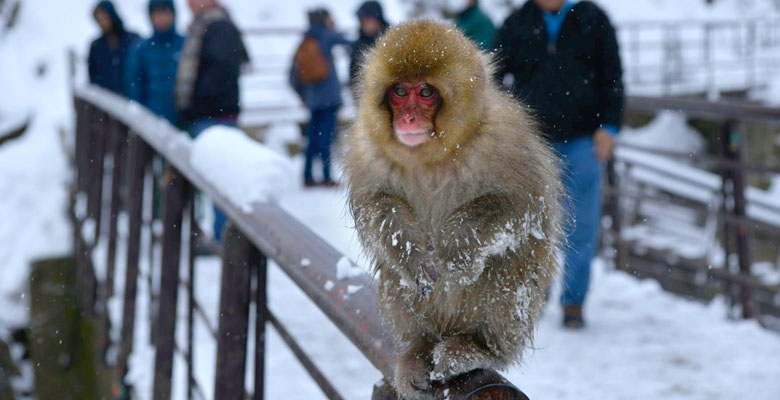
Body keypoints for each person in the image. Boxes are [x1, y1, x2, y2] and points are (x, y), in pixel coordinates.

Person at [494, 0, 624, 328]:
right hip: (532, 144)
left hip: (583, 140)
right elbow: (492, 79)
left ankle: (574, 304)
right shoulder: (516, 23)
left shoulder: (592, 18)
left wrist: (609, 127)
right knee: (532, 226)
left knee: (582, 225)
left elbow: (613, 76)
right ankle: (535, 298)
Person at [175, 0, 249, 242]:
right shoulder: (211, 24)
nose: (189, 5)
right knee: (216, 178)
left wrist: (196, 105)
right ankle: (220, 236)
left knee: (219, 178)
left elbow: (221, 71)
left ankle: (222, 238)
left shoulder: (217, 26)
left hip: (214, 114)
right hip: (214, 113)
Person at [289, 9, 352, 187]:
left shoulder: (306, 39)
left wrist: (303, 95)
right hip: (329, 98)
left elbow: (293, 74)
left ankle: (307, 176)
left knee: (312, 138)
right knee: (326, 137)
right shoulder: (326, 35)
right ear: (325, 19)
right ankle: (326, 176)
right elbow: (351, 42)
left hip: (312, 99)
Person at [125, 0, 184, 125]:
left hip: (184, 121)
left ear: (173, 14)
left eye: (165, 13)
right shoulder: (141, 48)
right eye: (157, 14)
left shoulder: (186, 44)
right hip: (151, 121)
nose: (161, 18)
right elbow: (134, 84)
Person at [88, 0, 139, 94]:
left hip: (131, 99)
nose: (103, 22)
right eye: (99, 19)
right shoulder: (96, 46)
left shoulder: (132, 40)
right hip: (106, 101)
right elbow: (93, 77)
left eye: (105, 17)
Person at [349, 1, 389, 92]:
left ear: (377, 19)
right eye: (361, 20)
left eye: (367, 19)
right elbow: (354, 76)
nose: (364, 23)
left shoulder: (394, 40)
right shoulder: (359, 45)